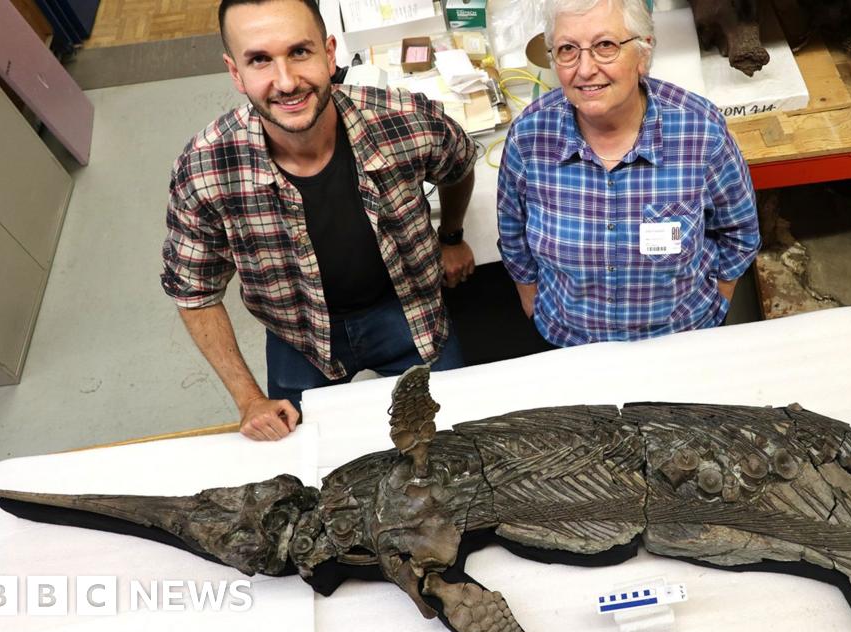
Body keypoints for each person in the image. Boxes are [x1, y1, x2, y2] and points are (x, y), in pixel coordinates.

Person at [161, 0, 477, 441]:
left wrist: (452, 236)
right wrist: (248, 398)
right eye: (260, 60)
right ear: (236, 73)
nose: (286, 82)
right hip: (299, 335)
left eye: (299, 52)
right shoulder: (205, 170)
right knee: (303, 458)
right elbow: (194, 293)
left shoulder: (406, 120)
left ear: (329, 54)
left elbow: (459, 166)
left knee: (455, 436)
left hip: (409, 312)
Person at [497, 0, 761, 347]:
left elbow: (740, 231)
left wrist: (720, 299)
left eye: (605, 45)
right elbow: (513, 234)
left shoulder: (701, 132)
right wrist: (531, 301)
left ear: (643, 53)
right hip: (570, 343)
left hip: (681, 339)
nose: (585, 69)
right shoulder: (529, 138)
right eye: (567, 50)